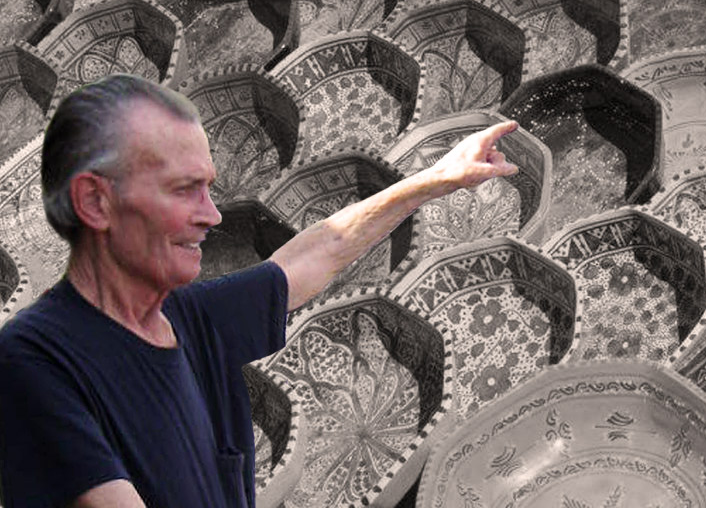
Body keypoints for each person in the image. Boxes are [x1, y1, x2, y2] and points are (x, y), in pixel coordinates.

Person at [0, 74, 519, 508]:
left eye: (208, 189)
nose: (212, 216)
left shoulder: (183, 317)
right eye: (184, 191)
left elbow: (316, 253)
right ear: (95, 203)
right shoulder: (37, 360)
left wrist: (436, 179)